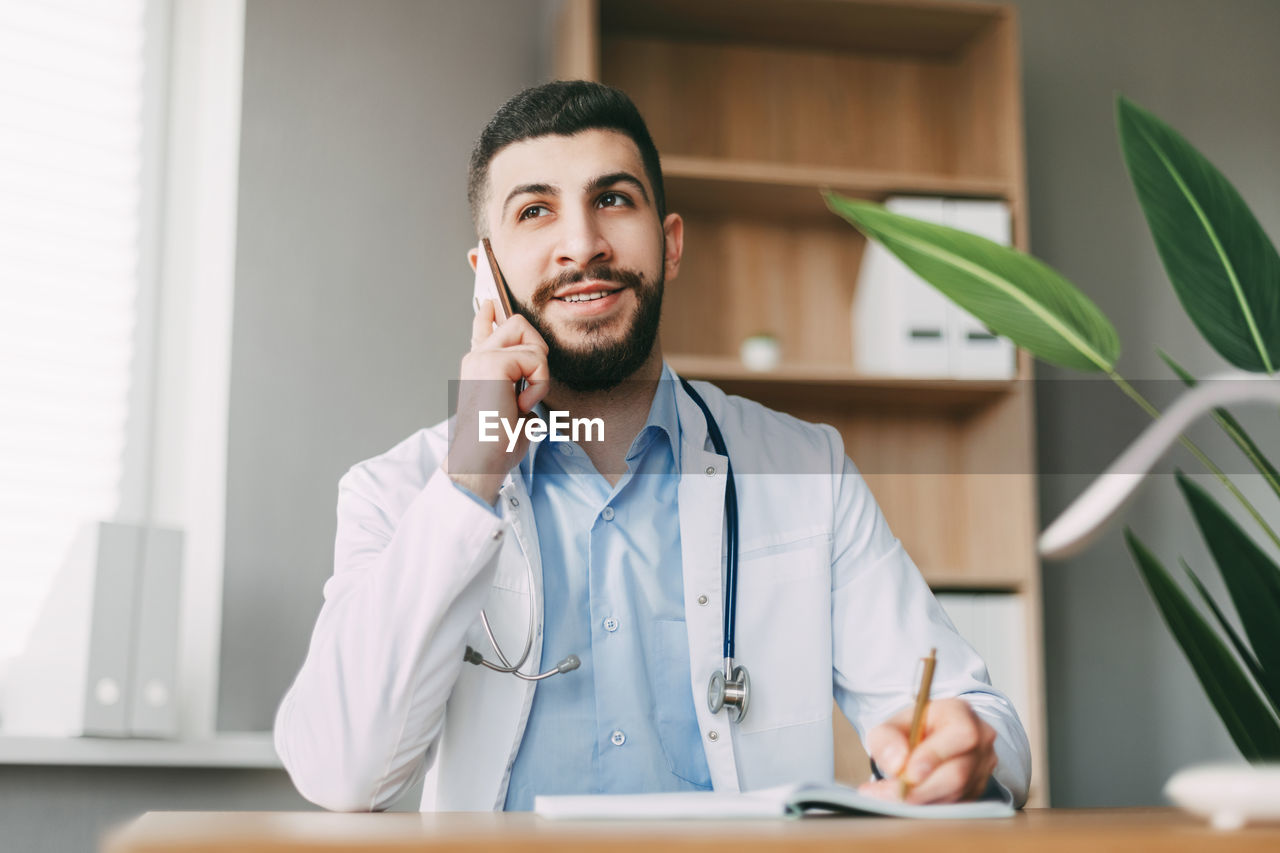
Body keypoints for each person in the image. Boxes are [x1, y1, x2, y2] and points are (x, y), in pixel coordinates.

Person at [274, 80, 1031, 813]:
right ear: (487, 278)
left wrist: (964, 750)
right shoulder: (395, 489)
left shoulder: (805, 468)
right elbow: (340, 770)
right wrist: (467, 483)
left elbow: (982, 718)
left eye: (612, 199)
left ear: (669, 245)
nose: (583, 244)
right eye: (535, 211)